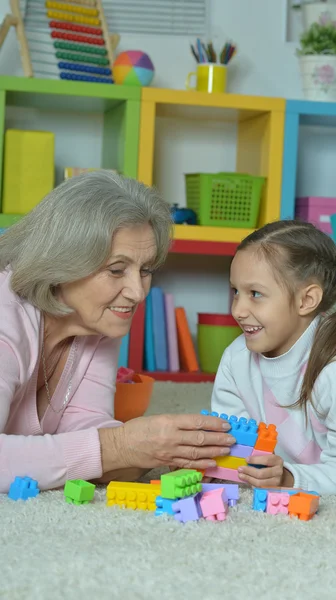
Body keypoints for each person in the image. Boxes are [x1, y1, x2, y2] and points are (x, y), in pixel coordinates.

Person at [0, 170, 235, 494]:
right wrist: (121, 446)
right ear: (61, 263)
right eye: (116, 270)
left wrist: (160, 449)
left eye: (147, 270)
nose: (138, 292)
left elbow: (88, 429)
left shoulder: (95, 321)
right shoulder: (5, 322)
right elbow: (105, 446)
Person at [211, 219, 336, 496]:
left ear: (306, 300)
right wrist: (213, 464)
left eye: (255, 294)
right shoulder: (235, 360)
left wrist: (288, 478)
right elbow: (234, 444)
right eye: (235, 291)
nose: (238, 309)